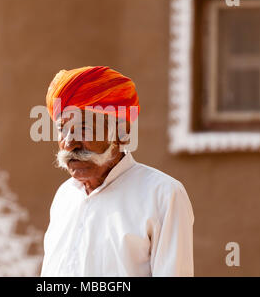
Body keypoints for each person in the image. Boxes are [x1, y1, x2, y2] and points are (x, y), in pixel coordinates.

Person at [40, 66, 194, 276]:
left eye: (84, 128)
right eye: (62, 129)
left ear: (122, 133)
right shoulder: (64, 196)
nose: (69, 143)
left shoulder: (163, 195)